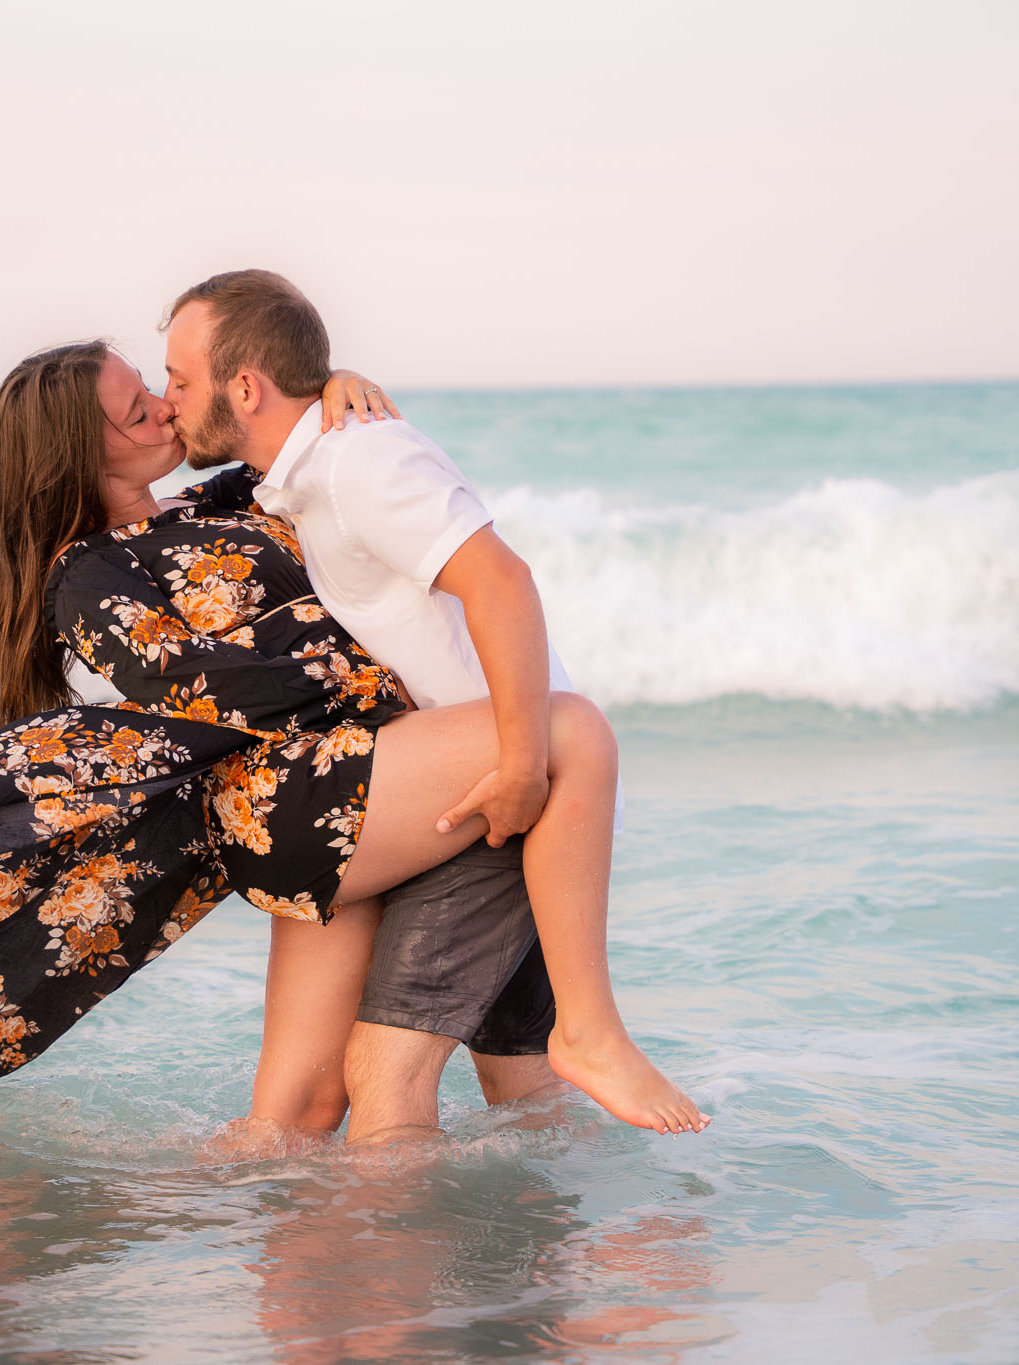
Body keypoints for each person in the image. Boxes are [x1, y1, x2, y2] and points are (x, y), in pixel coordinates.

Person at [0, 335, 705, 1137]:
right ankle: (589, 1031)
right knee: (563, 732)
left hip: (364, 787)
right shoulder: (88, 576)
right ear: (82, 453)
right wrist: (379, 690)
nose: (162, 408)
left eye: (153, 388)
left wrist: (333, 387)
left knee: (297, 1115)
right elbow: (201, 689)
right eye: (134, 411)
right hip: (299, 799)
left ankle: (248, 1263)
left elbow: (310, 457)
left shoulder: (228, 497)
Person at [159, 271, 705, 1141]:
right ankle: (580, 1256)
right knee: (523, 1086)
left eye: (179, 379)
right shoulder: (307, 475)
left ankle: (385, 1269)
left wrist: (523, 767)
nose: (167, 399)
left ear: (245, 386)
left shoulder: (359, 462)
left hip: (510, 788)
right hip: (489, 786)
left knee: (392, 1072)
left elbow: (502, 581)